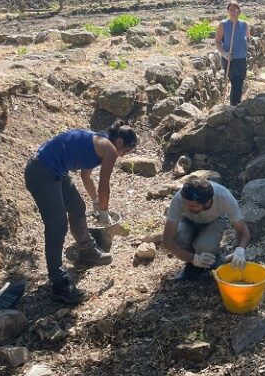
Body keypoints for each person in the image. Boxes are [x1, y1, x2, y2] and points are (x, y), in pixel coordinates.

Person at [24, 121, 137, 305]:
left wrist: (95, 202)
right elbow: (104, 186)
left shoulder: (100, 141)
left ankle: (88, 250)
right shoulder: (108, 148)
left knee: (77, 208)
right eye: (126, 151)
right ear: (118, 142)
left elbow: (86, 176)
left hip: (57, 171)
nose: (123, 155)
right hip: (42, 171)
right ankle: (59, 282)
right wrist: (104, 210)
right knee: (57, 225)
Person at [161, 175, 251, 282]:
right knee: (180, 239)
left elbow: (243, 230)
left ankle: (214, 257)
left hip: (214, 220)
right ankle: (192, 266)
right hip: (187, 220)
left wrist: (240, 250)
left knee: (205, 246)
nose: (187, 207)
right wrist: (193, 259)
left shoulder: (224, 197)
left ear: (208, 202)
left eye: (192, 206)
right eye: (186, 204)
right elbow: (166, 242)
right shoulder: (179, 199)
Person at [215, 2, 250, 106]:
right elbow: (217, 41)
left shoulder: (244, 24)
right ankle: (235, 106)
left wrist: (247, 41)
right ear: (227, 11)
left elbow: (248, 37)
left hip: (242, 58)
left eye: (235, 10)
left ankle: (236, 105)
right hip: (229, 59)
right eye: (230, 10)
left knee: (240, 82)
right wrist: (224, 54)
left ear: (239, 11)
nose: (233, 12)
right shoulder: (223, 24)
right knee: (236, 82)